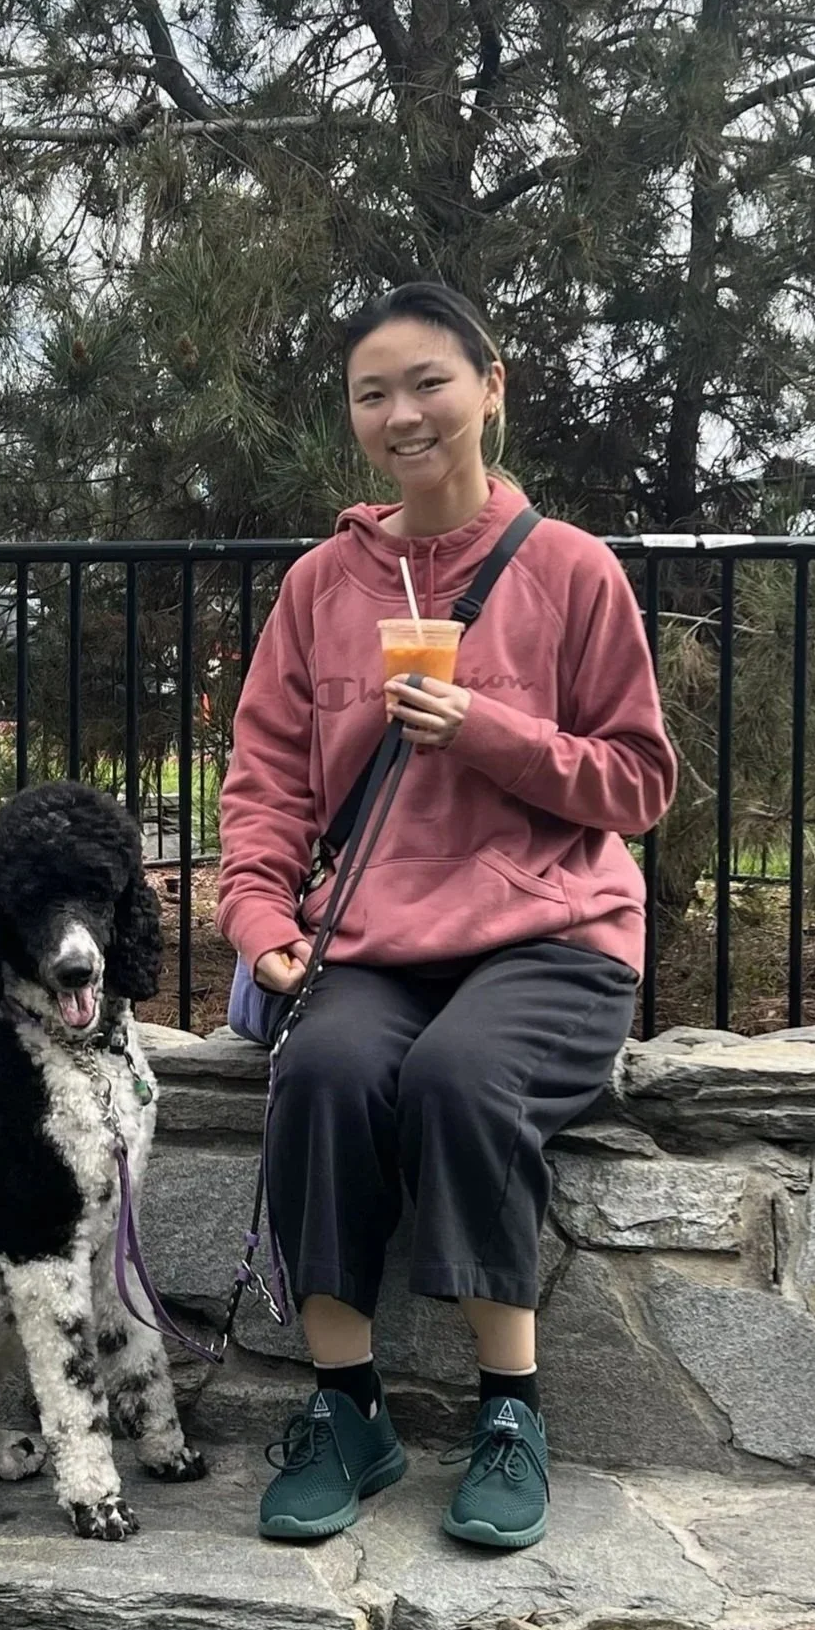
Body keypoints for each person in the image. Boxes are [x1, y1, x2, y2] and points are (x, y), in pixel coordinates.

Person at [215, 281, 676, 1552]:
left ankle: (510, 1413)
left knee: (465, 1081)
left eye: (430, 382)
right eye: (374, 393)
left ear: (492, 386)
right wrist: (260, 918)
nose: (403, 413)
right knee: (323, 1066)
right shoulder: (321, 587)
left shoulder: (572, 570)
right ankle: (345, 1406)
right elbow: (263, 786)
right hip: (372, 937)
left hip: (554, 937)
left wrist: (495, 732)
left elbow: (638, 780)